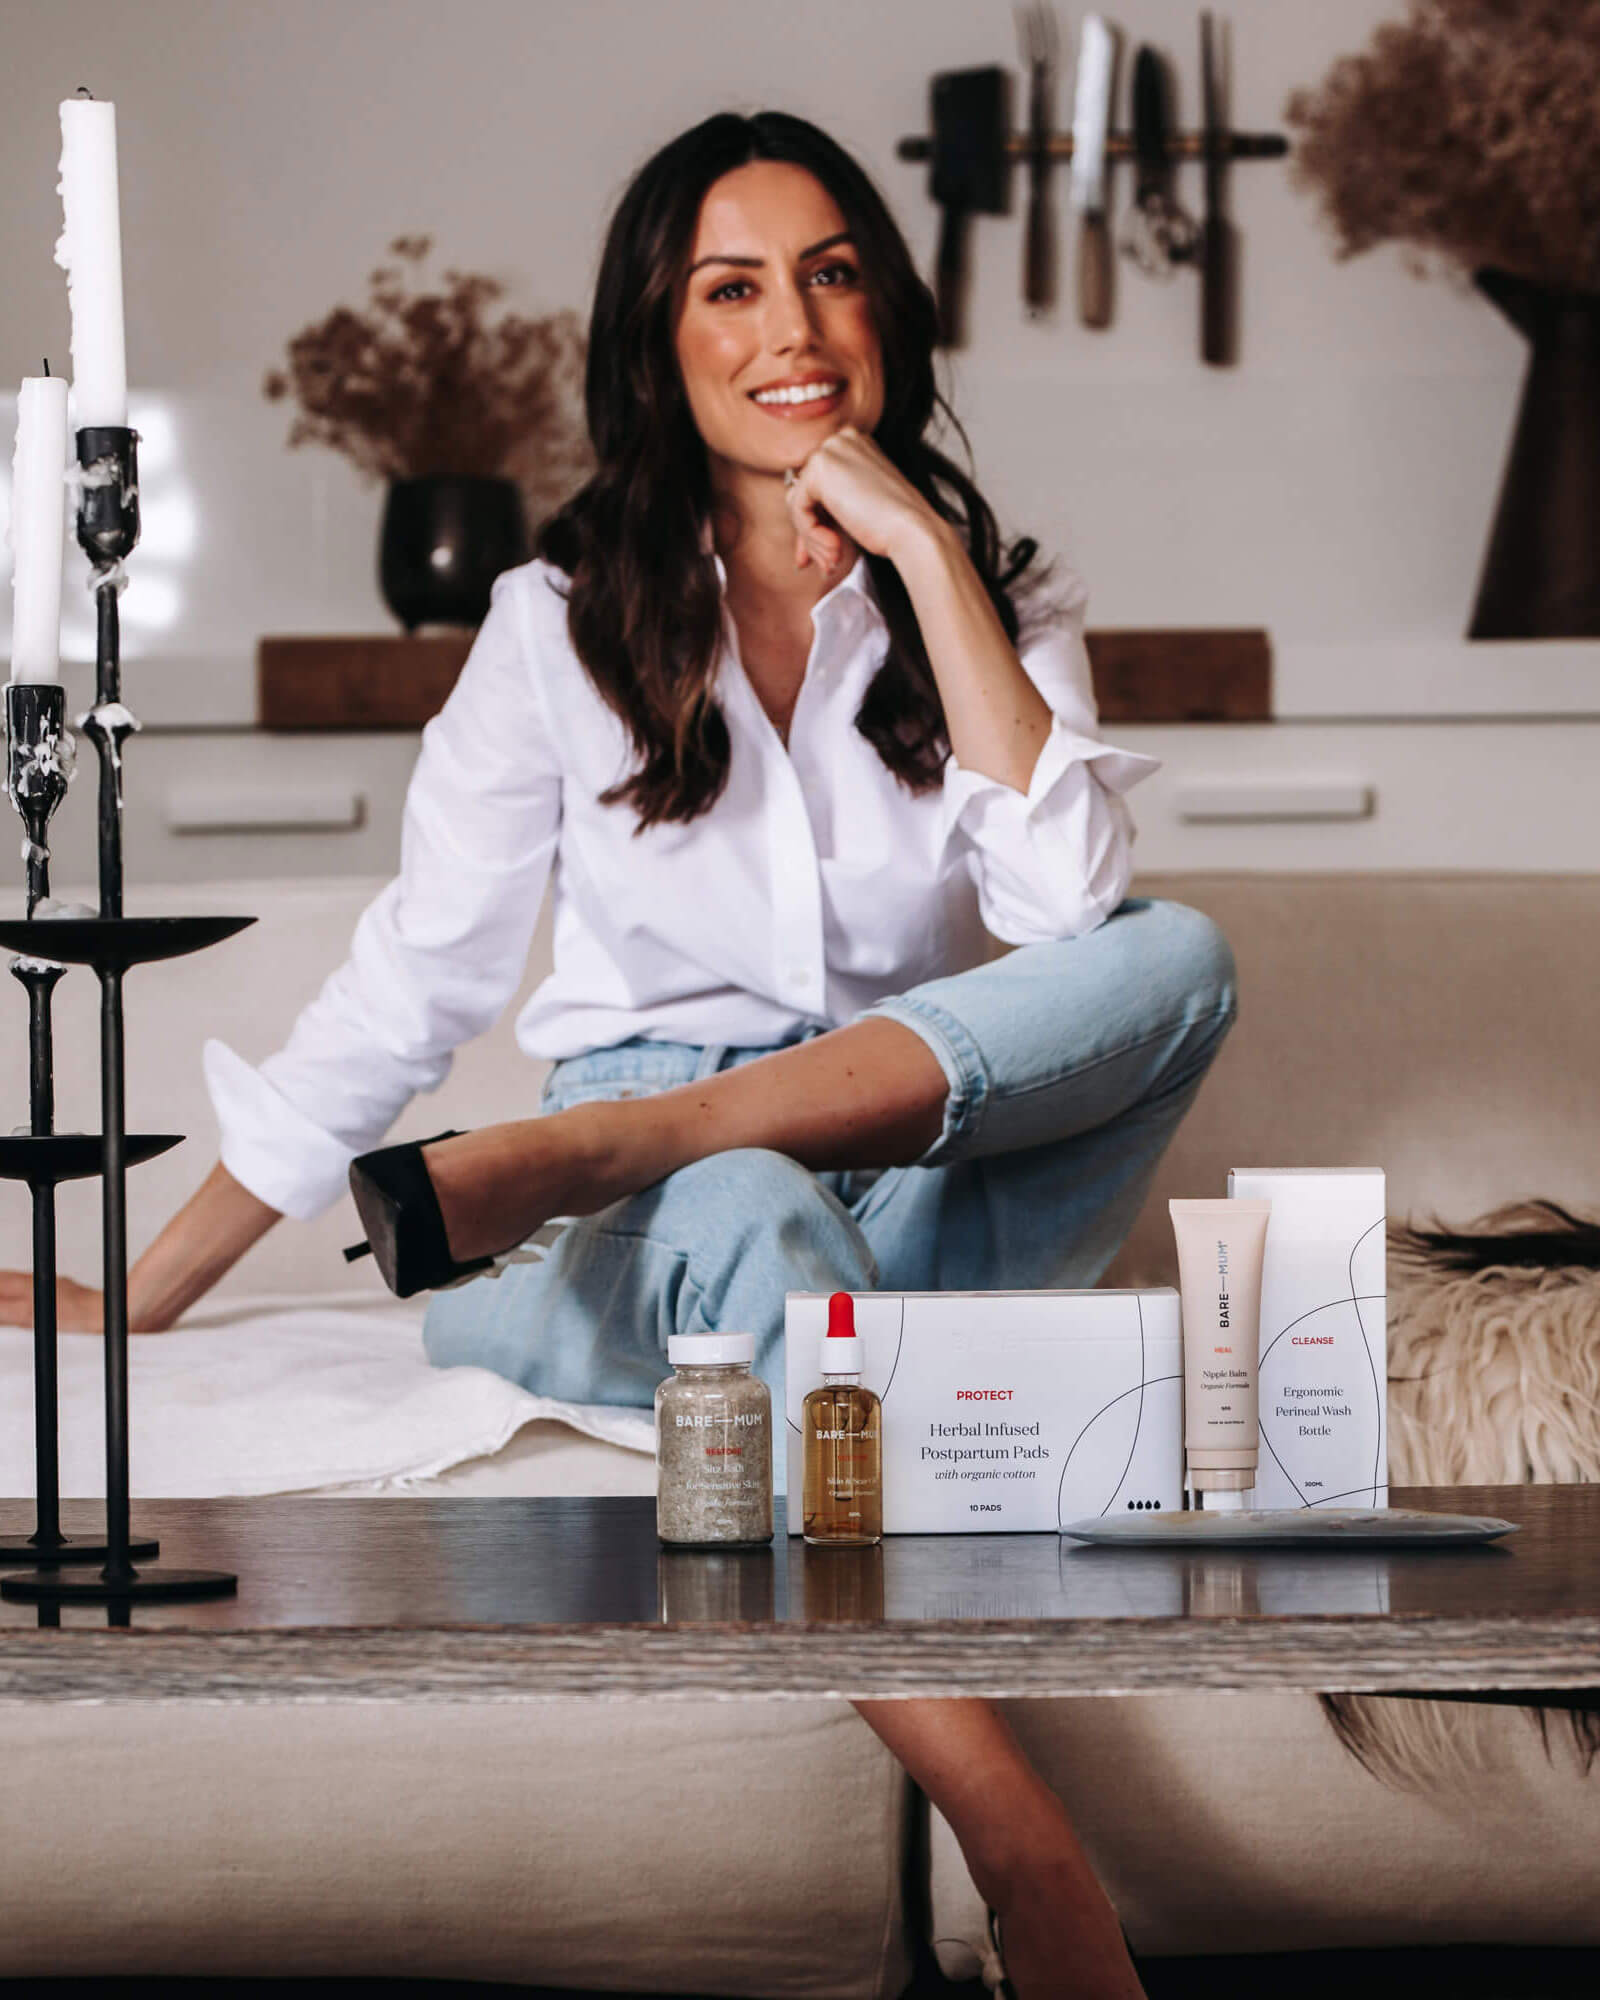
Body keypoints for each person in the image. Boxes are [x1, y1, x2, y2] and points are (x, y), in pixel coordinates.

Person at [0, 112, 1236, 2000]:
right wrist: (142, 1297)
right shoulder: (552, 628)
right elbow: (414, 980)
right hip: (685, 1226)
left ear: (885, 312)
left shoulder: (997, 602)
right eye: (728, 288)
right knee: (733, 1194)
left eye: (829, 271)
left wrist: (917, 550)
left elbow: (1071, 921)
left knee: (1182, 955)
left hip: (911, 1187)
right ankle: (1028, 1850)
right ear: (659, 345)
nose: (789, 323)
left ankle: (626, 1148)